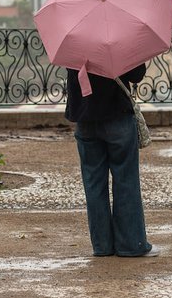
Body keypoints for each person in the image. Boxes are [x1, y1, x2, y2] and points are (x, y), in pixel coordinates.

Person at [65, 63, 158, 257]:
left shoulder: (73, 37)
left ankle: (102, 246)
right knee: (126, 180)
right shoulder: (119, 34)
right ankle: (131, 244)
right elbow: (137, 74)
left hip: (85, 117)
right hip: (118, 115)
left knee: (93, 184)